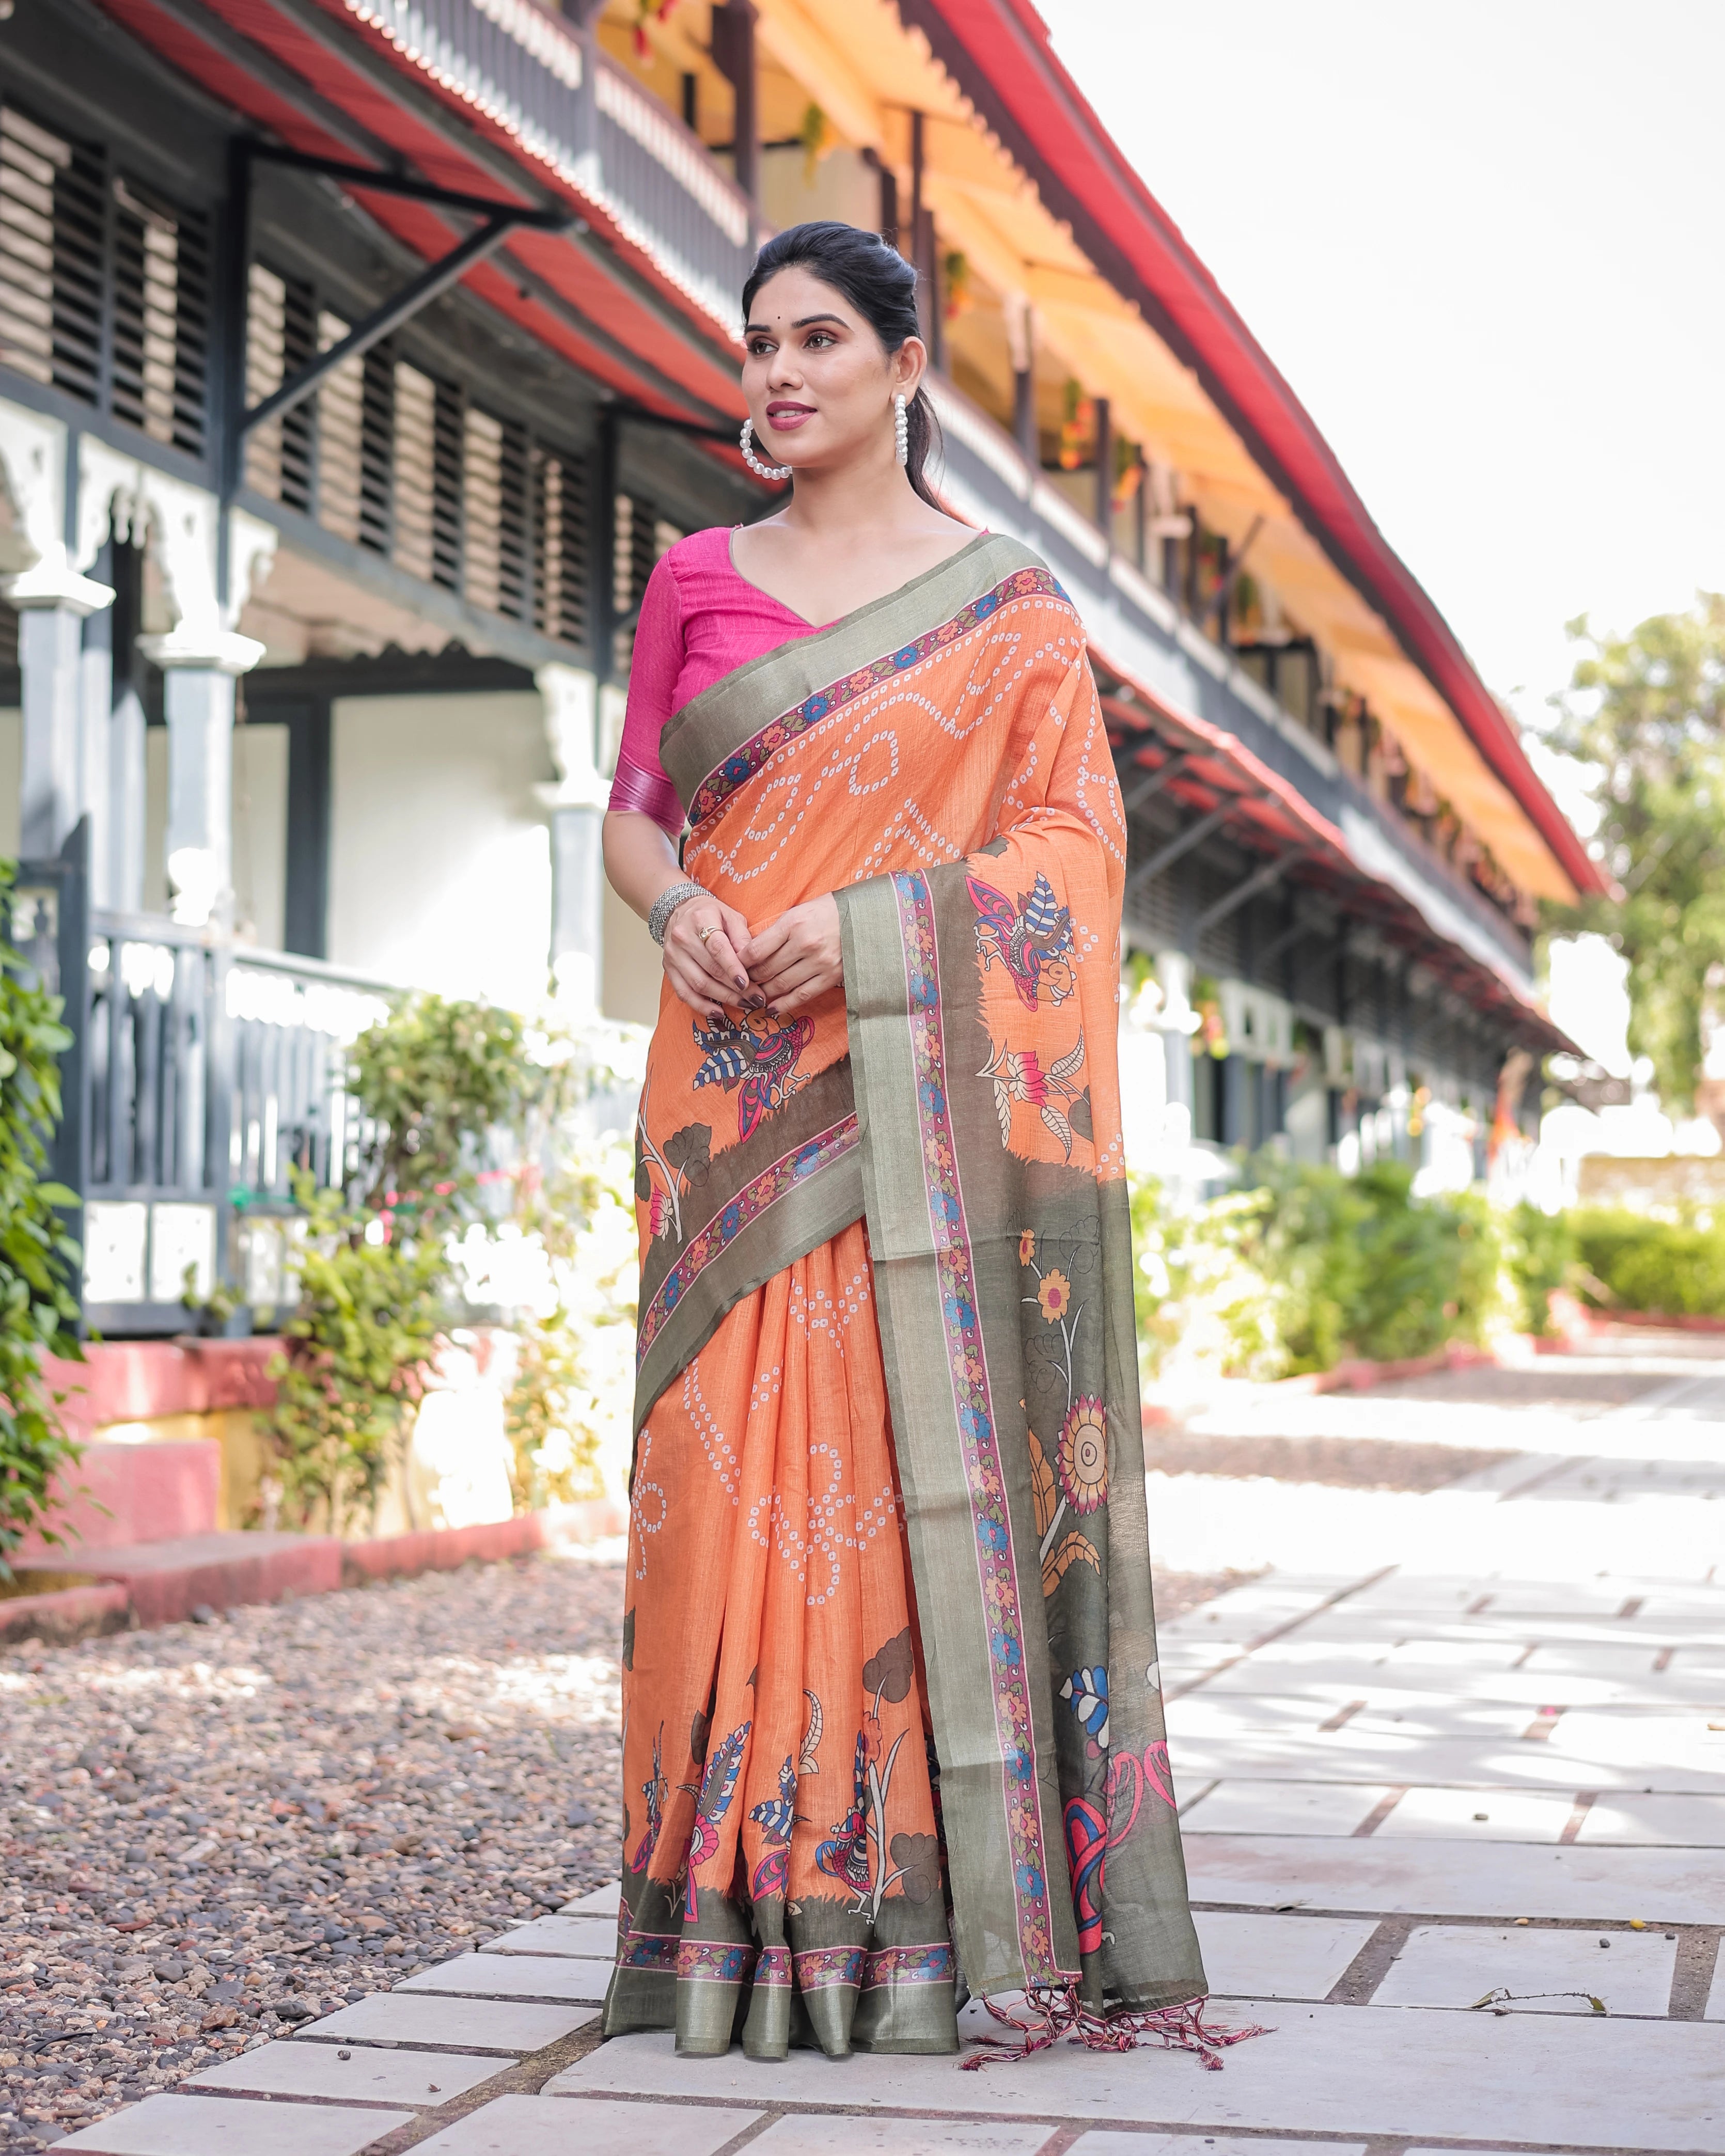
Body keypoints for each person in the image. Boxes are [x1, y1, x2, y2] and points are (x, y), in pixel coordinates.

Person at [600, 220, 1233, 2068]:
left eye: (815, 340)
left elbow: (1071, 858)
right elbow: (630, 816)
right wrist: (680, 909)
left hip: (910, 1109)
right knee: (721, 1496)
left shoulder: (1007, 608)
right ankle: (718, 1922)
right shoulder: (695, 577)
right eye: (755, 346)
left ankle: (909, 1917)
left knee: (897, 1487)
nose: (776, 373)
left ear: (900, 368)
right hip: (731, 1098)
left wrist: (874, 932)